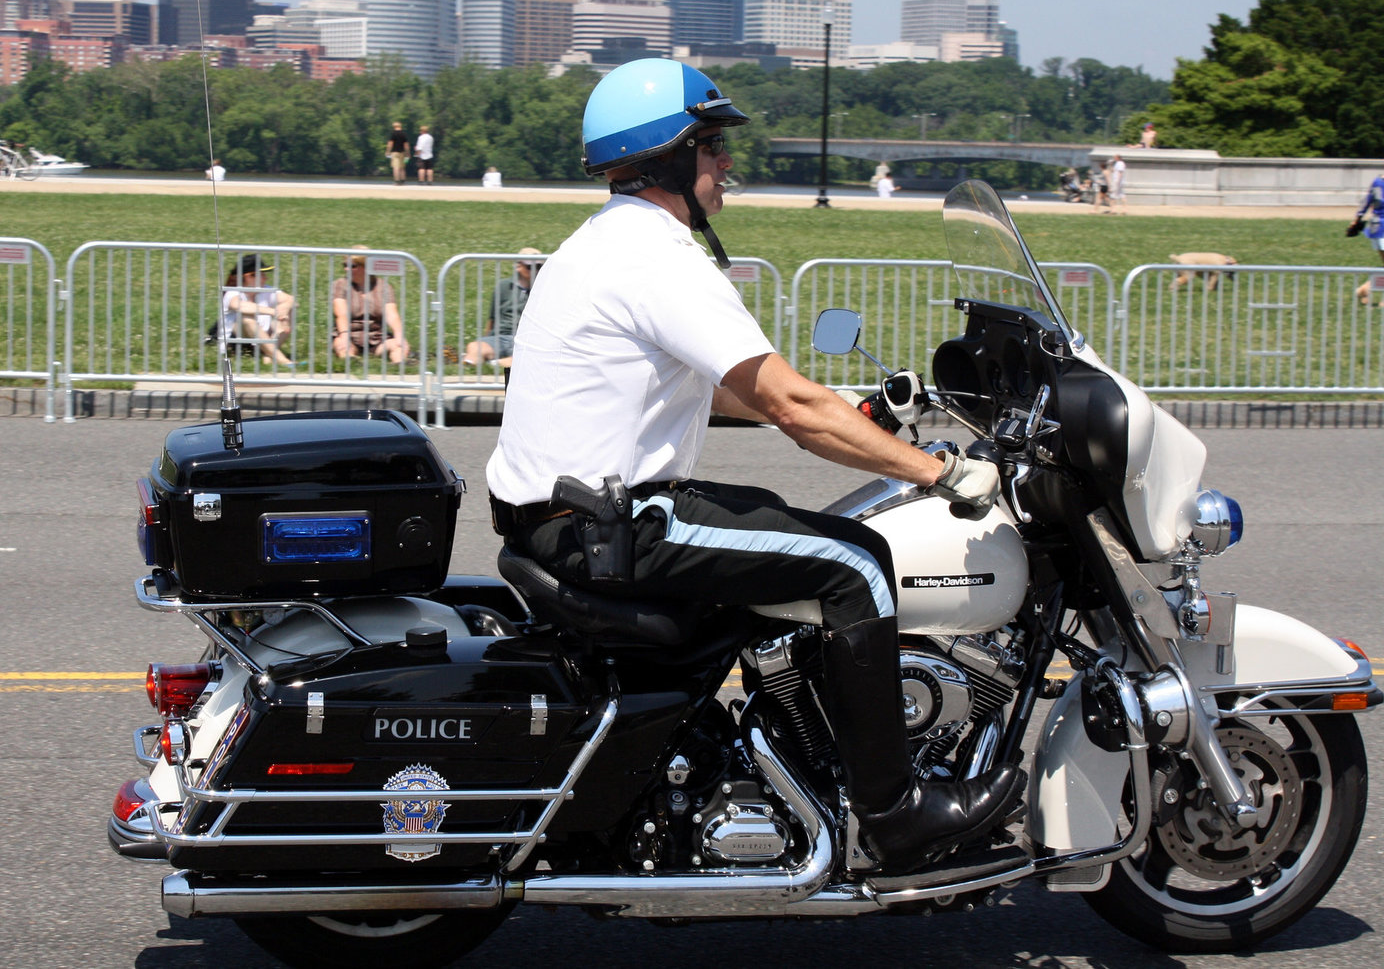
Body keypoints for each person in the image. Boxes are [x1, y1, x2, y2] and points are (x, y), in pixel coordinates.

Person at [486, 57, 1022, 872]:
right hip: (615, 526)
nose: (725, 165)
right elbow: (788, 407)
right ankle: (896, 814)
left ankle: (798, 760)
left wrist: (864, 418)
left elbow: (729, 390)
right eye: (711, 147)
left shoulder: (603, 244)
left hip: (568, 519)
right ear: (667, 156)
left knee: (777, 521)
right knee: (855, 561)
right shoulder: (658, 257)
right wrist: (935, 472)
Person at [330, 246, 410, 363]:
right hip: (350, 334)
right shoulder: (340, 285)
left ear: (366, 266)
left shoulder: (384, 287)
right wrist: (344, 336)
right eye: (345, 265)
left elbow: (392, 315)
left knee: (400, 347)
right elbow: (341, 314)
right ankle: (352, 363)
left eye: (353, 266)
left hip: (377, 337)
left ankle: (399, 367)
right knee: (342, 347)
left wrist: (399, 336)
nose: (347, 269)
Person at [463, 249, 539, 366]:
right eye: (530, 267)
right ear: (518, 266)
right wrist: (485, 339)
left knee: (529, 356)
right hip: (501, 337)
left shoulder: (544, 290)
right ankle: (473, 364)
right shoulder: (503, 286)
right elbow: (492, 319)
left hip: (527, 339)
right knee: (474, 347)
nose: (535, 270)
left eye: (539, 266)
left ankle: (494, 364)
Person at [219, 253, 295, 367]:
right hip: (238, 344)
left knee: (289, 310)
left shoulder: (265, 290)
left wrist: (283, 312)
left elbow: (291, 299)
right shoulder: (232, 292)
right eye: (262, 274)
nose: (266, 278)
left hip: (262, 339)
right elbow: (240, 306)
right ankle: (282, 360)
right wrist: (274, 312)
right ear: (248, 276)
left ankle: (268, 355)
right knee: (247, 317)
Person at [1352, 172, 1384, 304]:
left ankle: (1366, 288)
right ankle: (1367, 288)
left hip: (1376, 228)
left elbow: (1366, 202)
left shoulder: (1377, 182)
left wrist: (1356, 219)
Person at [1169, 252, 1238, 291]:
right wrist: (1210, 287)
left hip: (1183, 258)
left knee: (1207, 275)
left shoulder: (1220, 257)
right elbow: (1214, 277)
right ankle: (1175, 284)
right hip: (1188, 261)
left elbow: (1203, 274)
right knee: (1189, 276)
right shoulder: (1220, 263)